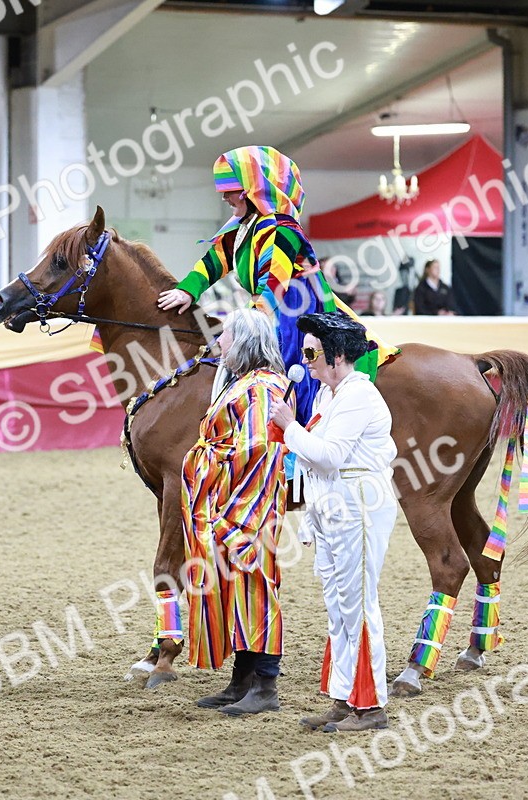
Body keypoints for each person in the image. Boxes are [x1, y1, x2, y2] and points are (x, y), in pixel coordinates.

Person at [155, 145, 392, 425]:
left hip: (291, 307)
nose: (224, 196)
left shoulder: (282, 228)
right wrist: (186, 290)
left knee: (291, 364)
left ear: (252, 189)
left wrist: (246, 322)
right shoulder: (244, 226)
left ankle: (301, 429)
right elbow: (215, 260)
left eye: (230, 189)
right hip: (264, 305)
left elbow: (275, 284)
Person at [270, 313, 397, 733]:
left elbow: (328, 456)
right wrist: (309, 519)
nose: (304, 360)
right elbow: (313, 460)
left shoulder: (358, 396)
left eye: (312, 353)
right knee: (339, 606)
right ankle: (345, 697)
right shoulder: (329, 395)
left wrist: (289, 426)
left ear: (338, 356)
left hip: (358, 503)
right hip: (333, 504)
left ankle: (372, 704)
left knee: (357, 603)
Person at [183, 308, 289, 717]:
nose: (219, 343)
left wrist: (207, 465)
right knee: (237, 588)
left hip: (249, 505)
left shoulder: (261, 389)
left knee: (255, 585)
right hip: (231, 501)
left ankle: (266, 684)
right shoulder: (245, 383)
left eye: (225, 335)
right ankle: (241, 680)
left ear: (243, 341)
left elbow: (258, 450)